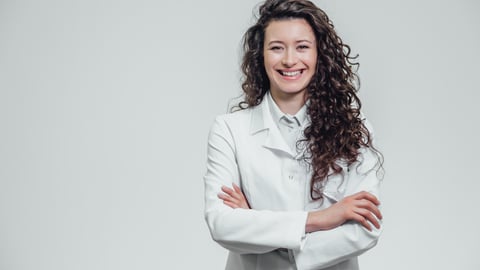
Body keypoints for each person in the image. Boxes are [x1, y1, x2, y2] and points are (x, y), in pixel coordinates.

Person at [203, 0, 384, 269]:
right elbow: (222, 224)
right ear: (260, 56)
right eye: (276, 48)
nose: (289, 60)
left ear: (319, 55)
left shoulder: (354, 129)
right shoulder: (229, 129)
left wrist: (254, 223)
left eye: (302, 47)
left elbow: (364, 229)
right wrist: (321, 218)